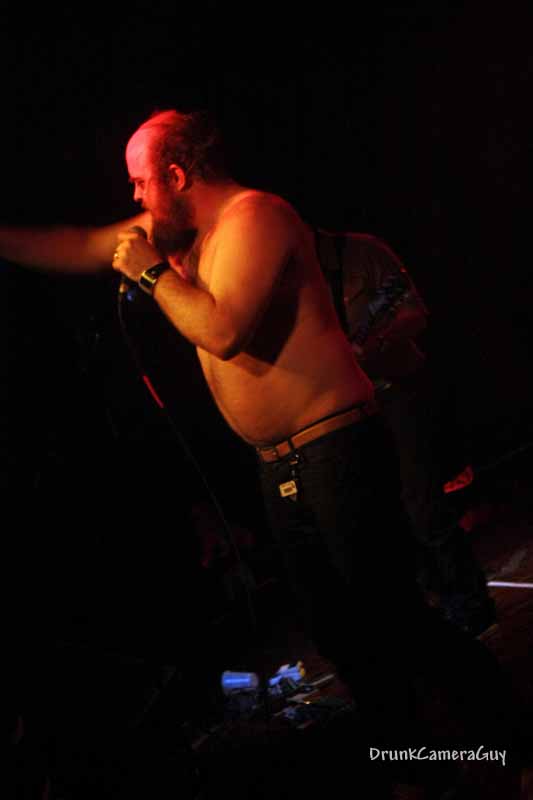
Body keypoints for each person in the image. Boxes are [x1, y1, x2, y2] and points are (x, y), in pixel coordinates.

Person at [1, 110, 524, 789]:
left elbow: (224, 332)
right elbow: (78, 246)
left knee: (392, 617)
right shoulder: (178, 234)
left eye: (139, 181)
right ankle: (409, 767)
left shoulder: (257, 217)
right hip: (280, 465)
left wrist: (155, 274)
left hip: (335, 447)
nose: (132, 196)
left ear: (176, 175)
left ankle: (509, 744)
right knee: (339, 634)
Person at [315, 229, 496, 637]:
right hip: (347, 409)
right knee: (386, 516)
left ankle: (470, 603)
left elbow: (414, 312)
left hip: (397, 391)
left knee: (422, 505)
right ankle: (433, 609)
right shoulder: (291, 276)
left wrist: (374, 344)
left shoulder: (360, 253)